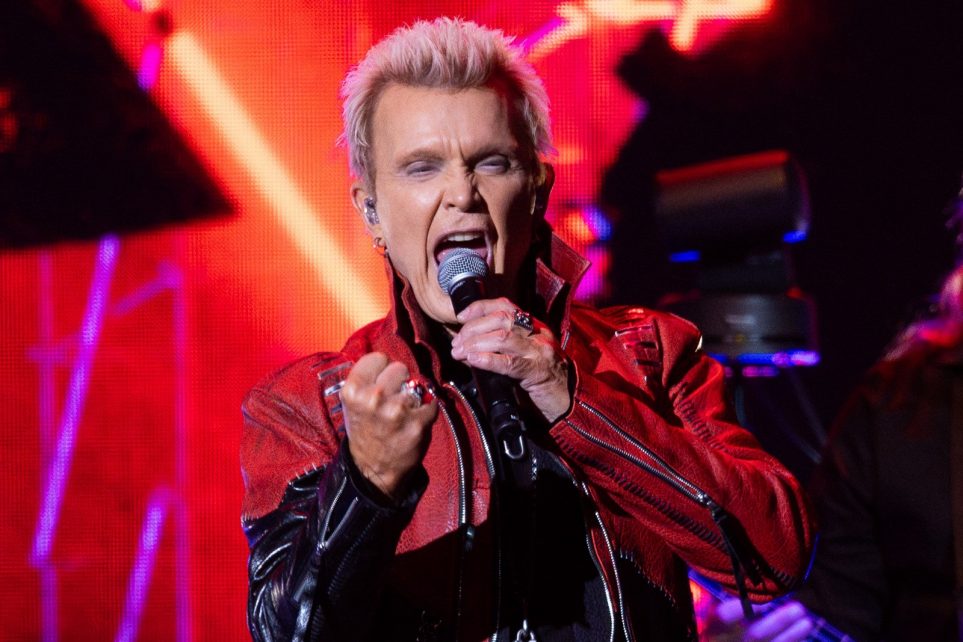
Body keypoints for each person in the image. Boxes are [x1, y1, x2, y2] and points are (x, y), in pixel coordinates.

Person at [240, 17, 815, 642]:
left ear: (538, 189)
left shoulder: (647, 352)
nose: (462, 194)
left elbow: (776, 558)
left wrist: (573, 400)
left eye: (491, 162)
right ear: (371, 211)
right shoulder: (313, 405)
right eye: (422, 168)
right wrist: (366, 483)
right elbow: (284, 632)